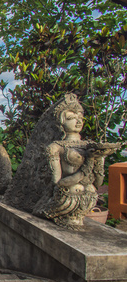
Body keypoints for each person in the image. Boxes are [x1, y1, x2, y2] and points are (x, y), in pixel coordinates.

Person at [41, 95, 118, 229]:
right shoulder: (55, 147)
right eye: (71, 118)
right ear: (61, 122)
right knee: (75, 188)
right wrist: (88, 163)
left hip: (87, 197)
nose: (78, 122)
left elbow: (98, 183)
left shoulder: (90, 146)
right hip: (67, 196)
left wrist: (98, 158)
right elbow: (59, 183)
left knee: (89, 188)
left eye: (80, 118)